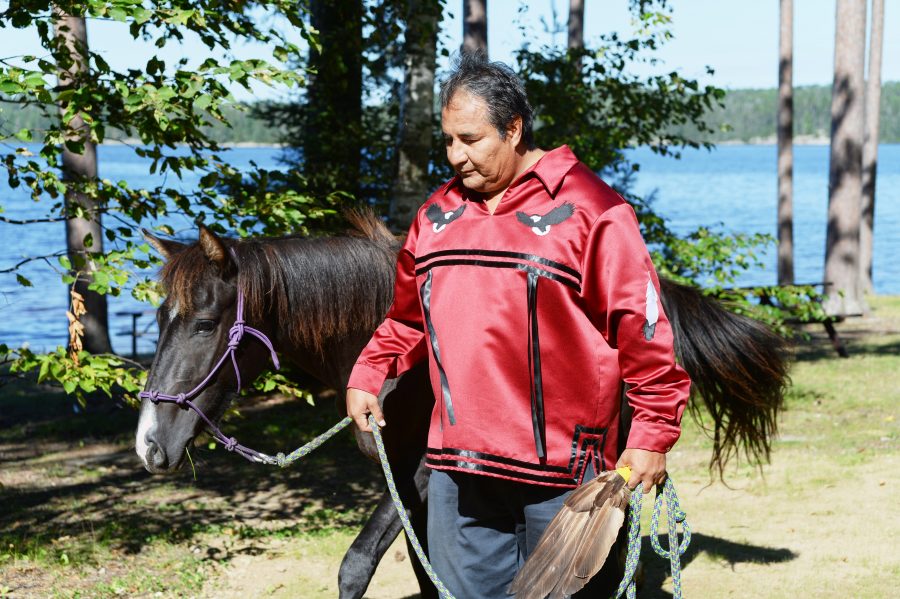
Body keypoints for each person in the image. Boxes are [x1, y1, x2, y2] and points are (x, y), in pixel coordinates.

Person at [346, 52, 690, 598]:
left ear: (513, 129)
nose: (457, 156)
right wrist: (368, 373)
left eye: (470, 139)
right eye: (448, 141)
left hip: (564, 478)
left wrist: (651, 435)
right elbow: (408, 318)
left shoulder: (591, 211)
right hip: (457, 472)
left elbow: (643, 332)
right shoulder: (436, 219)